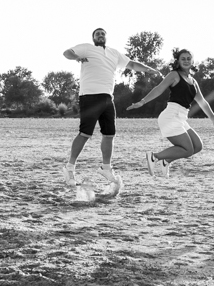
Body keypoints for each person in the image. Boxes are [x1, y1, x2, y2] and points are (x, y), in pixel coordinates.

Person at [62, 28, 162, 184]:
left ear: (106, 37)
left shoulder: (114, 53)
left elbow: (133, 64)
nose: (100, 35)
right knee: (85, 134)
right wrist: (76, 57)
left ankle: (106, 168)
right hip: (89, 96)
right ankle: (70, 169)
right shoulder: (87, 48)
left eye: (102, 34)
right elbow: (67, 52)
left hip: (108, 98)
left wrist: (149, 70)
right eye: (97, 34)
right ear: (93, 37)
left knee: (109, 134)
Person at [127, 48, 214, 176]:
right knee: (188, 149)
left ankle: (166, 161)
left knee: (197, 146)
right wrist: (142, 101)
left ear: (192, 61)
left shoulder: (193, 81)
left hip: (181, 118)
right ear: (178, 61)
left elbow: (202, 102)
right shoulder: (174, 75)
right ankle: (154, 157)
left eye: (188, 58)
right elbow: (159, 89)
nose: (186, 61)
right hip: (171, 116)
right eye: (182, 58)